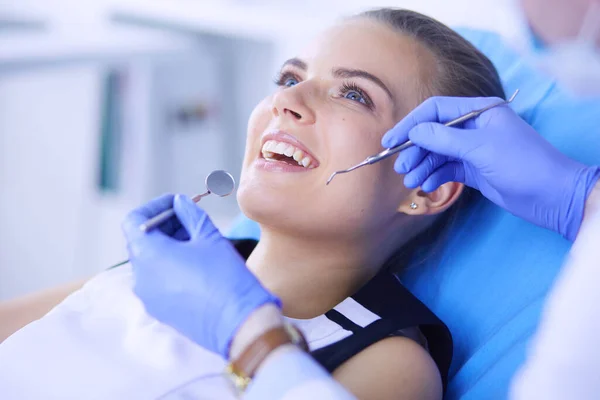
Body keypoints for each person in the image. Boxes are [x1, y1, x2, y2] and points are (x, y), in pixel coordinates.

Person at [0, 8, 509, 400]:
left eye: (353, 94)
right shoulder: (180, 261)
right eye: (289, 78)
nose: (286, 101)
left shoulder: (386, 357)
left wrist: (252, 337)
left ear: (426, 189)